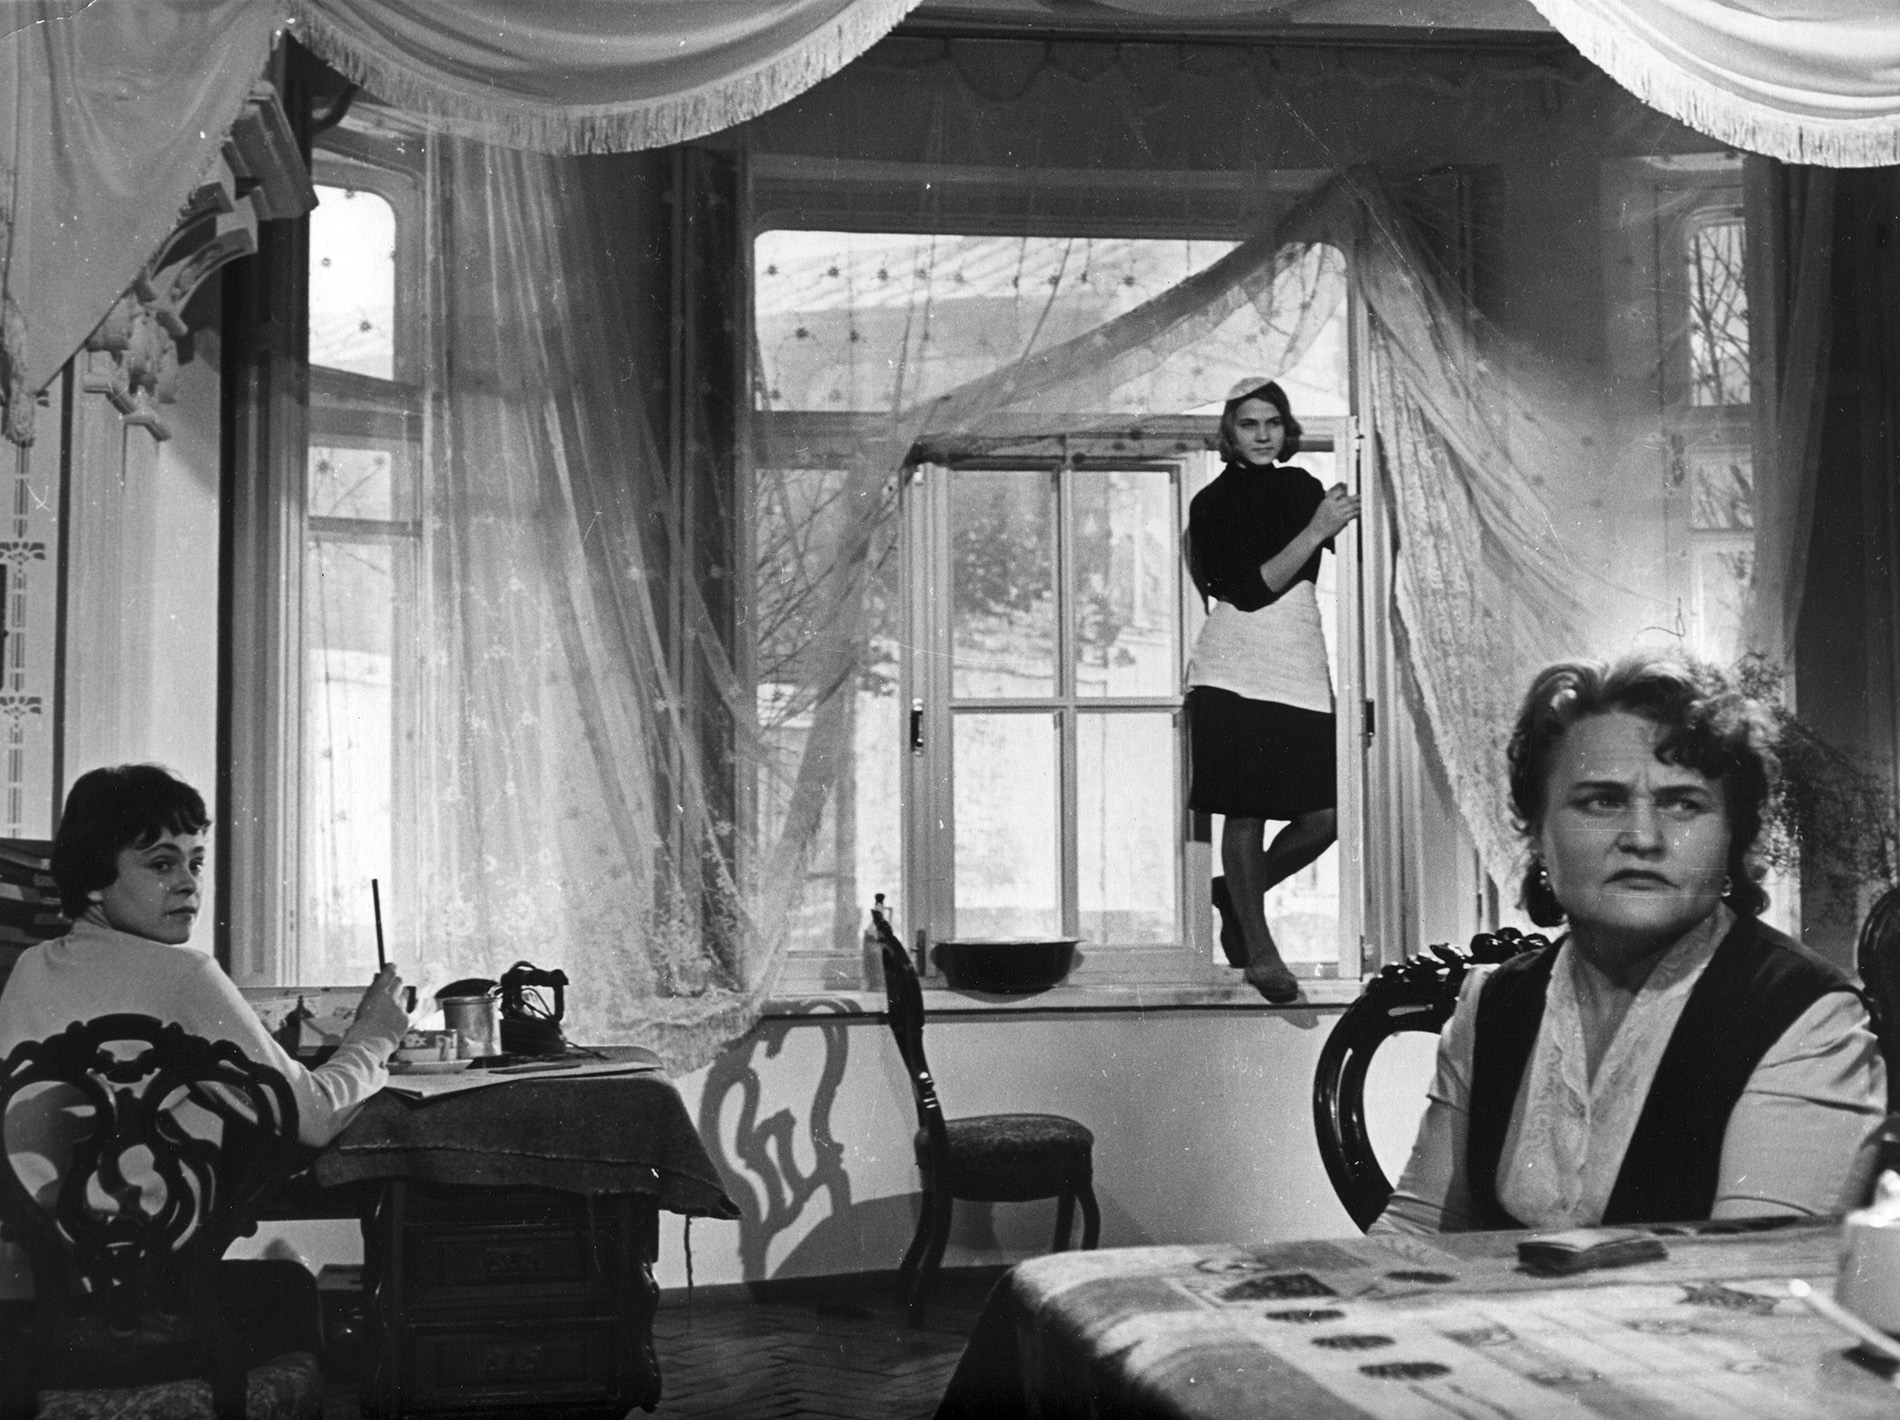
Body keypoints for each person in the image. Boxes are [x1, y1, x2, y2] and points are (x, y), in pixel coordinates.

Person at [1376, 654, 1886, 1233]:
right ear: (1539, 833)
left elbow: (1750, 1274)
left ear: (1733, 840)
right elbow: (1414, 1233)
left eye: (1683, 804)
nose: (1643, 838)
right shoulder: (1491, 1004)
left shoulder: (1807, 1016)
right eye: (1603, 800)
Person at [0, 763, 412, 1296]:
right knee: (289, 1288)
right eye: (162, 864)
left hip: (38, 1291)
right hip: (149, 1285)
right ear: (95, 881)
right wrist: (375, 1035)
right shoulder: (184, 973)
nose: (189, 883)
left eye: (195, 862)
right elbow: (312, 1117)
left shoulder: (30, 967)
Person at [1185, 377, 1360, 1003]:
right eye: (1249, 424)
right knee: (1247, 812)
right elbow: (1251, 590)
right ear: (1230, 434)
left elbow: (1358, 548)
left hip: (1299, 662)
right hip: (1234, 668)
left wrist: (1335, 518)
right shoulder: (1211, 502)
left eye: (1273, 423)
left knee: (1327, 817)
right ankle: (1261, 952)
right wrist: (1316, 531)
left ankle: (1235, 896)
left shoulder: (1302, 487)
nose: (1262, 435)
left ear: (1286, 431)